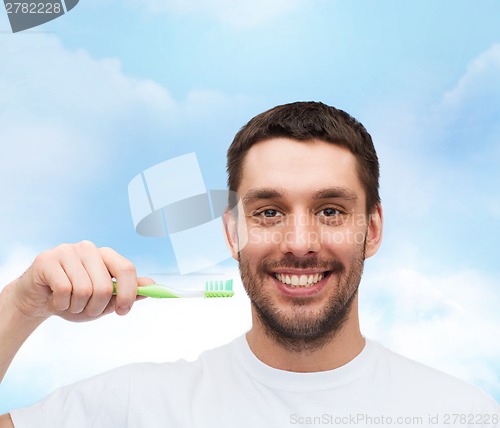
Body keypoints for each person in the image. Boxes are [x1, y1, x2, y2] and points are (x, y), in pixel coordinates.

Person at [0, 102, 498, 427]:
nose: (299, 243)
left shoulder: (463, 415)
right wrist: (21, 305)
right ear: (231, 232)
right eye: (269, 212)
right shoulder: (136, 406)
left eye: (330, 210)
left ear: (372, 229)